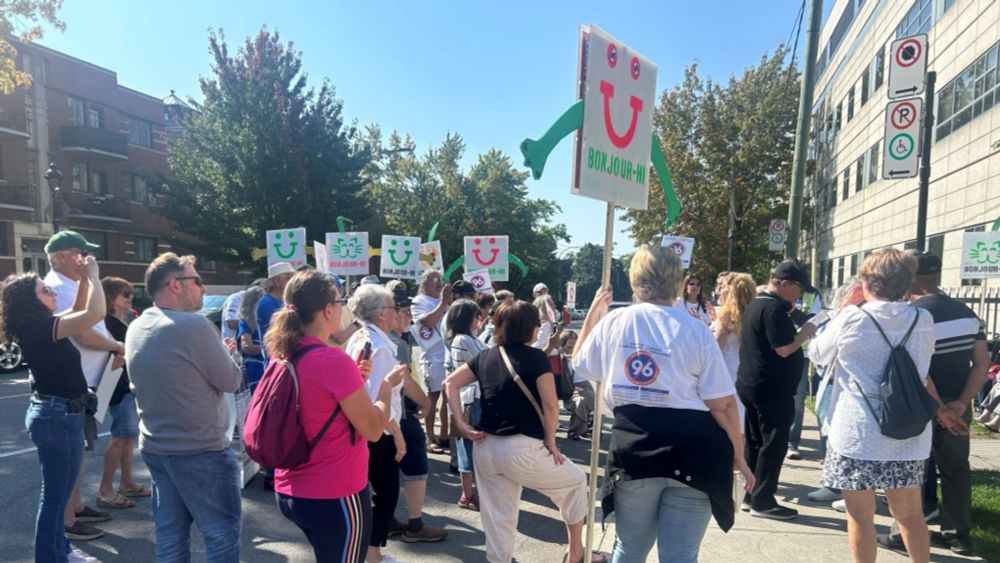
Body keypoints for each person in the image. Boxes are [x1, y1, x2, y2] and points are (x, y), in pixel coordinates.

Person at [573, 245, 753, 563]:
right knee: (681, 555)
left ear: (635, 281)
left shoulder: (615, 322)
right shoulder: (696, 330)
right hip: (696, 449)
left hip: (634, 447)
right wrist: (738, 457)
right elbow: (722, 405)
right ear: (678, 282)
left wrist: (593, 313)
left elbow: (580, 363)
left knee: (629, 548)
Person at [810, 248, 972, 563]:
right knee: (910, 515)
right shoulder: (922, 318)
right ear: (906, 283)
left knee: (860, 515)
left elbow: (817, 352)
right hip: (907, 432)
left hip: (859, 432)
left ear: (868, 281)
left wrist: (844, 308)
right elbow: (921, 369)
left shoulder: (852, 316)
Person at [445, 300, 601, 563]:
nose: (540, 328)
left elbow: (450, 383)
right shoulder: (536, 358)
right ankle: (576, 552)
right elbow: (551, 405)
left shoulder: (485, 355)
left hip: (486, 447)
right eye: (537, 323)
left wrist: (461, 424)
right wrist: (551, 440)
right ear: (528, 327)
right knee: (575, 482)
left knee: (497, 520)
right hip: (522, 448)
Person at [265, 270, 400, 563]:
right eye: (341, 302)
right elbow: (374, 430)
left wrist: (352, 375)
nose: (343, 309)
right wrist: (386, 386)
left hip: (291, 488)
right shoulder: (332, 361)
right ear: (328, 309)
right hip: (335, 493)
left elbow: (315, 402)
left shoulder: (282, 354)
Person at [126, 253, 243, 562]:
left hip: (157, 447)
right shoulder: (194, 326)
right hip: (200, 450)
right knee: (221, 533)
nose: (204, 289)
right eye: (198, 281)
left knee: (170, 534)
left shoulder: (137, 325)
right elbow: (231, 380)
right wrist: (226, 354)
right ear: (175, 284)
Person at [877, 250, 990, 557]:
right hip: (959, 405)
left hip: (919, 405)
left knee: (911, 469)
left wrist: (939, 407)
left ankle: (902, 533)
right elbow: (981, 364)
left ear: (911, 278)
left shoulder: (913, 316)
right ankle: (959, 535)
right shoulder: (967, 314)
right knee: (956, 469)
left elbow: (917, 368)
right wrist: (960, 405)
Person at [1, 255, 107, 563]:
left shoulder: (45, 326)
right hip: (55, 416)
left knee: (59, 495)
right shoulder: (40, 328)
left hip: (65, 414)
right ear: (29, 301)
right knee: (55, 497)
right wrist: (95, 275)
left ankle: (60, 549)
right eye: (45, 290)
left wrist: (84, 281)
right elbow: (94, 313)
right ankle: (50, 556)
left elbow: (77, 310)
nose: (52, 292)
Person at [44, 231, 122, 543]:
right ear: (62, 256)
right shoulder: (58, 287)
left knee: (82, 448)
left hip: (90, 380)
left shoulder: (72, 284)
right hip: (77, 382)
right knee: (71, 453)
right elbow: (85, 334)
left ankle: (75, 506)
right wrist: (117, 345)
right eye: (81, 254)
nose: (88, 260)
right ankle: (67, 519)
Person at [736, 259, 818, 520]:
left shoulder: (757, 304)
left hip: (754, 384)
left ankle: (751, 494)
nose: (800, 293)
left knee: (756, 442)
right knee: (773, 444)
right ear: (783, 284)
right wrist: (804, 332)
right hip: (771, 388)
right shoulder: (772, 310)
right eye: (798, 287)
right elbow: (783, 348)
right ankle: (763, 500)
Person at [346, 285, 409, 563]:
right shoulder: (380, 347)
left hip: (364, 429)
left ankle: (369, 552)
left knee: (371, 494)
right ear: (382, 313)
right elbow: (377, 399)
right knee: (386, 494)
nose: (398, 312)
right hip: (378, 431)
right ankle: (372, 555)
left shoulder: (361, 337)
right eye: (394, 306)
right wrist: (397, 434)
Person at [383, 282, 447, 544]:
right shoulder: (395, 343)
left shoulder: (366, 336)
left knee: (383, 473)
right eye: (405, 311)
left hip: (379, 417)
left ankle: (387, 521)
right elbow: (405, 381)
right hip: (398, 416)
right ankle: (415, 525)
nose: (409, 316)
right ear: (392, 313)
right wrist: (426, 403)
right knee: (416, 468)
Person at [806, 277, 865, 505]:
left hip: (850, 387)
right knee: (829, 432)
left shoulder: (854, 318)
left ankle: (846, 488)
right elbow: (819, 352)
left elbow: (819, 351)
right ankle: (834, 484)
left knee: (846, 439)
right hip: (833, 379)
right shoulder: (837, 317)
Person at [96, 277, 149, 511]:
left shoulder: (120, 320)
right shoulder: (105, 322)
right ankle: (105, 489)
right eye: (124, 294)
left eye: (131, 293)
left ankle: (126, 482)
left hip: (126, 384)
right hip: (116, 385)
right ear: (110, 298)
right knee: (119, 437)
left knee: (127, 438)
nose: (130, 297)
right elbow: (109, 356)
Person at [447, 299, 488, 510]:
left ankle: (472, 493)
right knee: (468, 447)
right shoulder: (462, 340)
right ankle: (467, 494)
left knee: (474, 446)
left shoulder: (471, 338)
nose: (479, 319)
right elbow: (482, 364)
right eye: (476, 315)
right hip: (469, 400)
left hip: (475, 397)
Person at [412, 270, 452, 453]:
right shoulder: (419, 301)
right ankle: (429, 438)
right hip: (432, 358)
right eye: (434, 279)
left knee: (448, 397)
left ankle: (444, 435)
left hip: (448, 355)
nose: (439, 283)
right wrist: (444, 302)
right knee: (432, 398)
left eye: (441, 280)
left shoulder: (445, 301)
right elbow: (428, 322)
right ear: (425, 283)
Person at [712, 273, 756, 433]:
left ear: (729, 291)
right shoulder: (751, 313)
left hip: (725, 371)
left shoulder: (726, 315)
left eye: (722, 288)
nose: (719, 291)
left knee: (725, 418)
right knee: (740, 418)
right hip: (745, 368)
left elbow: (716, 347)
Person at [787, 286, 824, 461]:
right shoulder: (777, 292)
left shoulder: (812, 296)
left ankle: (792, 443)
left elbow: (812, 324)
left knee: (797, 401)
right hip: (777, 351)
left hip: (800, 354)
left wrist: (793, 311)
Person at [559, 330, 593, 441]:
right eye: (570, 338)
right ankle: (576, 429)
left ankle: (576, 429)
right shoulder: (560, 353)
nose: (573, 341)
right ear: (564, 339)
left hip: (583, 383)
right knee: (580, 402)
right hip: (569, 385)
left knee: (582, 402)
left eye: (574, 338)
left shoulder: (581, 351)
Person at [237, 286, 266, 393]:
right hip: (255, 369)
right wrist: (268, 348)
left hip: (266, 366)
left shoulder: (264, 318)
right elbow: (247, 347)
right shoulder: (245, 321)